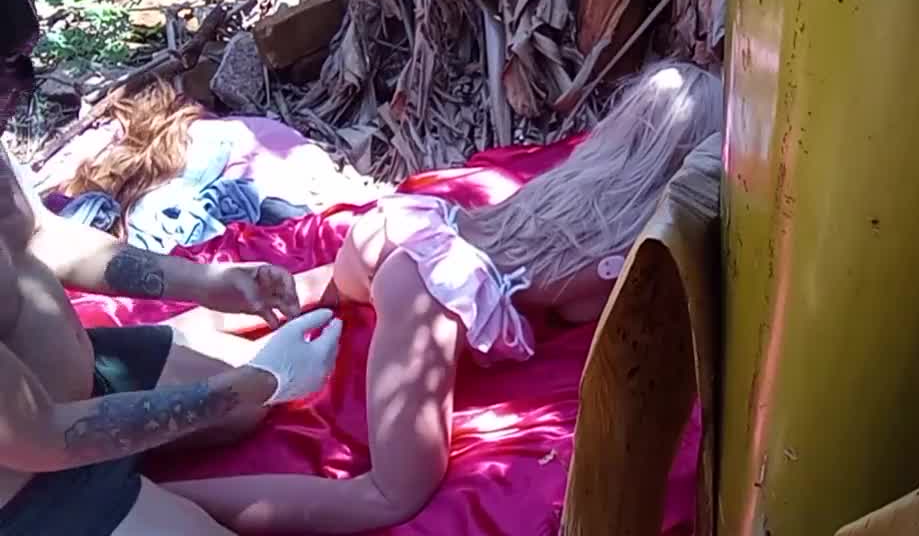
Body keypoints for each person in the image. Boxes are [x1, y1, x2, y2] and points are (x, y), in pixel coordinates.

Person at [162, 58, 725, 533]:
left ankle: (166, 341)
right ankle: (165, 501)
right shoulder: (622, 246)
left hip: (408, 234)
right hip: (425, 289)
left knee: (300, 295)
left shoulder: (574, 189)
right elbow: (583, 306)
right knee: (389, 496)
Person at [0, 0, 344, 536]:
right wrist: (256, 381)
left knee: (246, 415)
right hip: (29, 477)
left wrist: (209, 283)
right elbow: (41, 437)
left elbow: (39, 233)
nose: (19, 87)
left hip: (80, 384)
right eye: (4, 69)